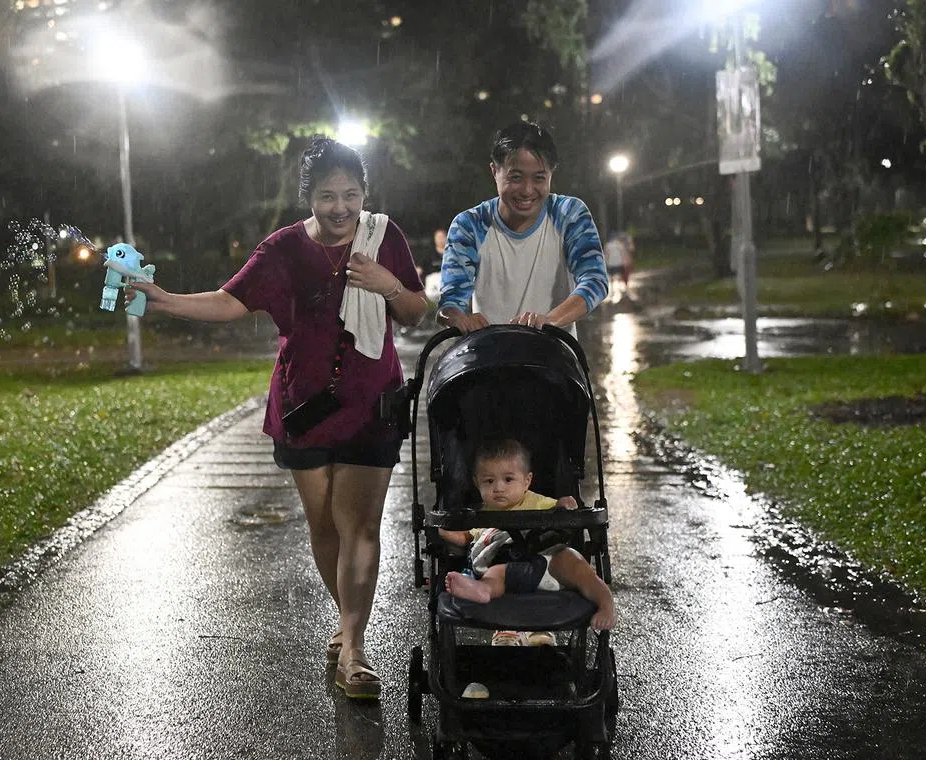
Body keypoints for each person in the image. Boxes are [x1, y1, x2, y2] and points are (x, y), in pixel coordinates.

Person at [126, 136, 428, 700]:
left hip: (371, 404)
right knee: (324, 527)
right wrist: (163, 299)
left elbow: (413, 311)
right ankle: (347, 623)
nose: (340, 208)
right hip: (304, 407)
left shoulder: (383, 237)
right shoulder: (283, 249)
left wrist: (385, 284)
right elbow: (229, 300)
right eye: (326, 196)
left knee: (360, 525)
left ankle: (355, 651)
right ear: (307, 196)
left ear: (365, 193)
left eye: (351, 194)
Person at [436, 121, 610, 335]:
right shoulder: (469, 225)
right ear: (494, 171)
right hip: (489, 359)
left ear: (551, 174)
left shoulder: (569, 214)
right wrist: (458, 318)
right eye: (515, 177)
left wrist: (548, 321)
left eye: (539, 178)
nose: (527, 190)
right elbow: (450, 301)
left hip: (554, 358)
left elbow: (595, 280)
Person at [440, 439, 617, 635]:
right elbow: (466, 538)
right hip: (506, 568)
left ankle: (605, 600)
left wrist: (565, 504)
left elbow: (558, 508)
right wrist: (442, 530)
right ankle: (483, 590)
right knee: (496, 573)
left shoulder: (535, 501)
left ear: (526, 481)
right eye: (489, 481)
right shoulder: (480, 514)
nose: (498, 488)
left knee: (573, 560)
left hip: (545, 564)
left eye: (508, 480)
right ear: (476, 483)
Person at [603, 231, 632, 295]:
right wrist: (625, 262)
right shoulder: (620, 245)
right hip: (619, 263)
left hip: (611, 263)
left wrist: (605, 262)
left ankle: (613, 290)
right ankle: (620, 289)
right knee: (620, 276)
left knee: (611, 277)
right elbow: (623, 254)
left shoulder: (607, 245)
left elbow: (606, 254)